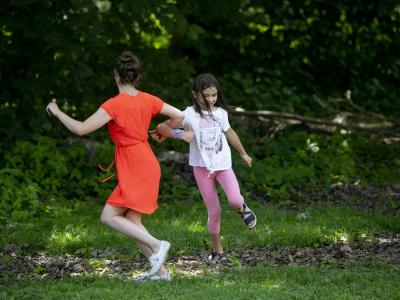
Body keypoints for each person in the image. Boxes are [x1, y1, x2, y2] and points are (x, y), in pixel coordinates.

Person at [46, 51, 184, 281]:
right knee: (132, 221)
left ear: (116, 75)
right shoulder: (148, 99)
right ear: (137, 76)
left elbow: (81, 129)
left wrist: (58, 112)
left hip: (137, 165)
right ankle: (161, 274)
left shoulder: (114, 105)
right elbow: (179, 115)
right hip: (145, 161)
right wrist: (163, 133)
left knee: (108, 216)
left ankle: (156, 244)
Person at [151, 73, 257, 263]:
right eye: (206, 95)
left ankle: (242, 208)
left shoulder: (221, 113)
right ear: (195, 94)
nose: (210, 99)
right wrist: (179, 134)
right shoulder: (188, 114)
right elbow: (162, 127)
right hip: (201, 168)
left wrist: (243, 153)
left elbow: (230, 132)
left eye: (213, 95)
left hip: (223, 165)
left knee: (234, 200)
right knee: (214, 211)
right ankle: (218, 251)